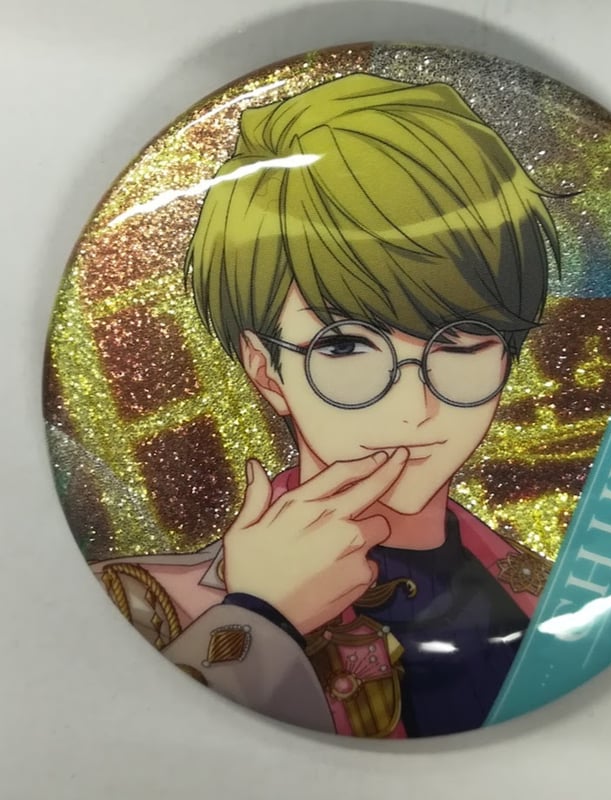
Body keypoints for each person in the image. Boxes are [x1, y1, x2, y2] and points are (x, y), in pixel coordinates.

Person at [95, 73, 560, 738]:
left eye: (461, 344)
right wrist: (260, 618)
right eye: (345, 347)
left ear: (507, 355)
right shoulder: (139, 607)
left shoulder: (554, 601)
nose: (414, 406)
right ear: (266, 369)